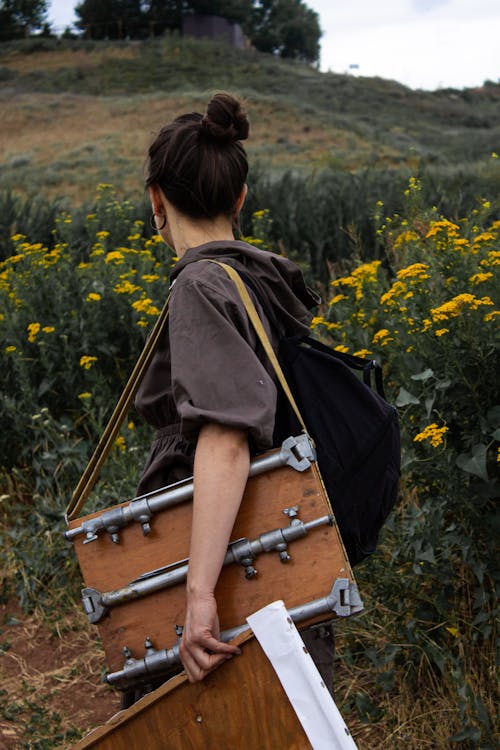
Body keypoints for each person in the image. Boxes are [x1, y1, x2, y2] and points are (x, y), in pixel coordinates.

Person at [134, 92, 335, 690]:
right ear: (240, 198)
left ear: (156, 200)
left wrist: (198, 595)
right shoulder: (260, 279)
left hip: (223, 555)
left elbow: (225, 437)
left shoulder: (200, 285)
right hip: (278, 540)